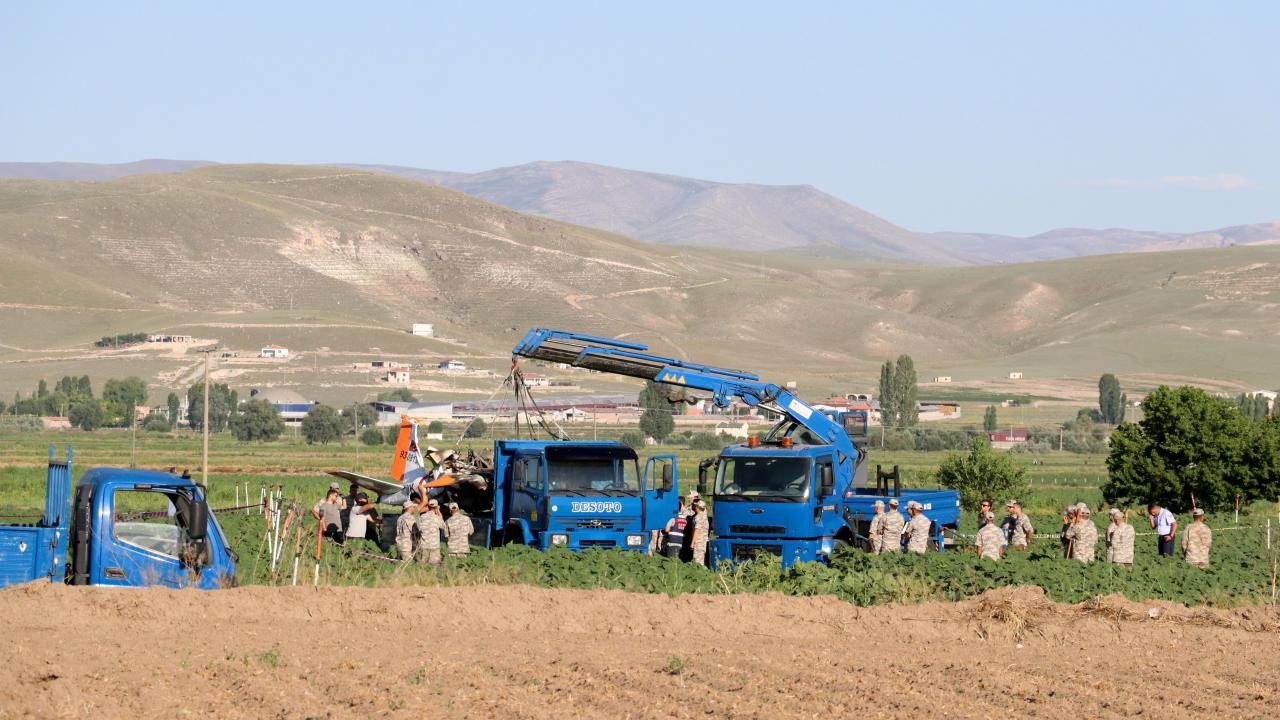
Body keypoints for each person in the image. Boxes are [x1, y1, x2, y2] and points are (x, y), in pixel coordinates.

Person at [416, 498, 448, 567]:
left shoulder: (422, 517)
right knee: (435, 565)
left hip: (424, 545)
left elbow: (418, 527)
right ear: (436, 507)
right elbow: (443, 526)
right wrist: (439, 512)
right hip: (434, 546)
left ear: (428, 506)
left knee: (422, 565)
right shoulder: (437, 518)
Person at [689, 499, 709, 566]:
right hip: (704, 542)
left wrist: (692, 543)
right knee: (702, 560)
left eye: (696, 506)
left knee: (697, 562)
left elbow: (697, 530)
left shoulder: (698, 517)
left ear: (698, 507)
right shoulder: (705, 517)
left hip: (698, 542)